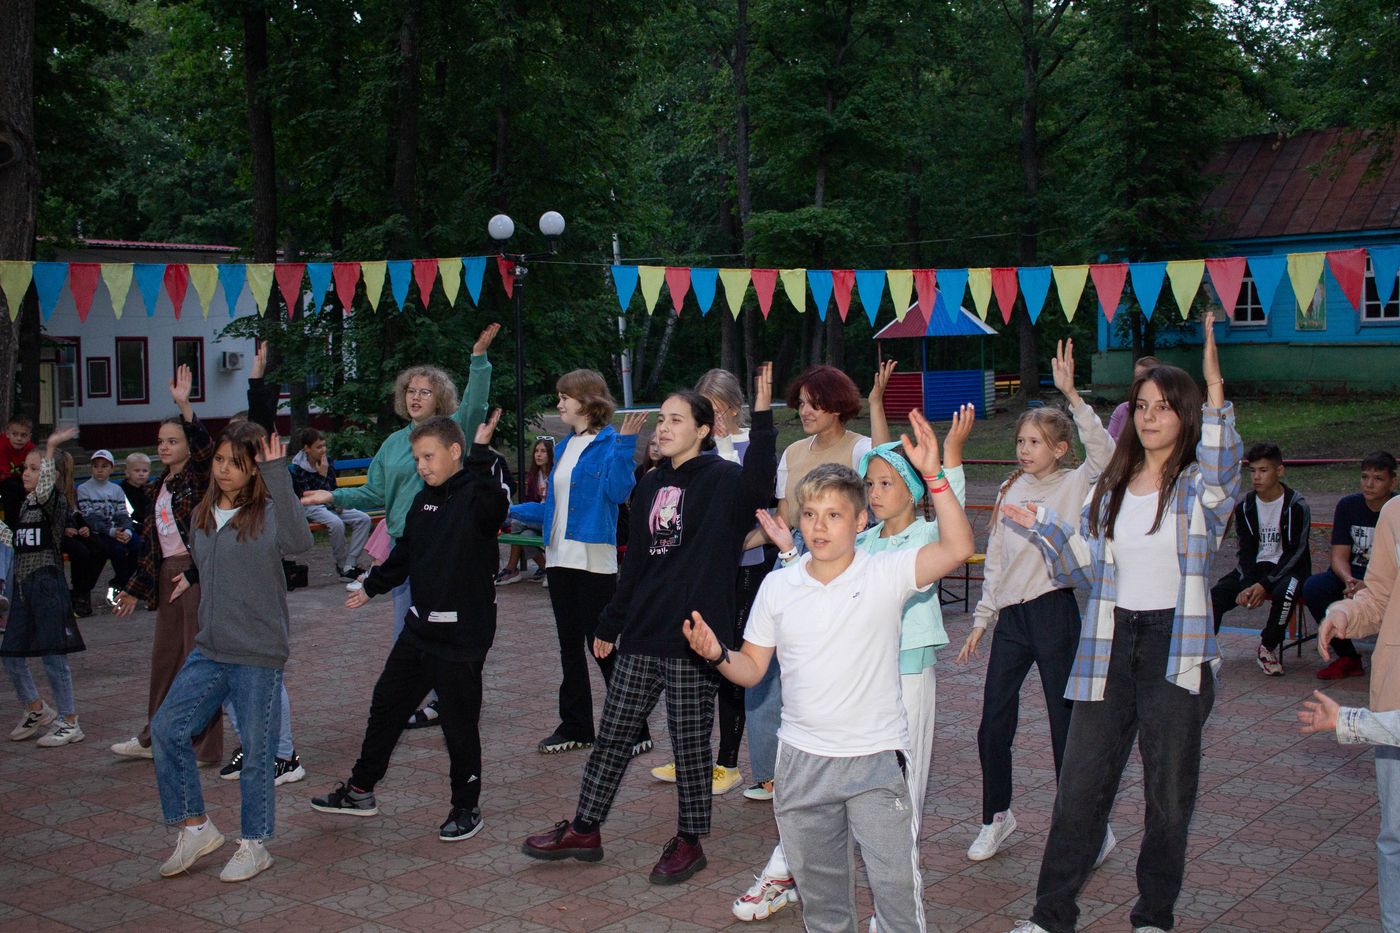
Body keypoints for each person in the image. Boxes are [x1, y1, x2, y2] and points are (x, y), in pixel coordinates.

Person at [686, 412, 974, 932]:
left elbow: (957, 548)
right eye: (811, 514)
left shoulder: (886, 573)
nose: (819, 527)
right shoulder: (780, 586)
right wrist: (717, 655)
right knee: (823, 907)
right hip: (802, 764)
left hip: (875, 760)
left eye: (834, 515)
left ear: (860, 521)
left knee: (896, 897)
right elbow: (752, 670)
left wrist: (935, 476)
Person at [1002, 312, 1242, 933]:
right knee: (1079, 789)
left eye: (1164, 407)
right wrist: (1047, 530)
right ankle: (1050, 916)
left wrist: (1214, 387)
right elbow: (1085, 567)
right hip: (1108, 644)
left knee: (1169, 797)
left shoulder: (1199, 489)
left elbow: (1223, 464)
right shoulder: (1110, 487)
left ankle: (1153, 917)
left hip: (1175, 648)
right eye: (1142, 406)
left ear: (1186, 415)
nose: (1150, 416)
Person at [522, 366, 777, 886]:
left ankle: (689, 840)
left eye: (675, 420)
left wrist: (765, 415)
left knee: (689, 745)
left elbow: (760, 487)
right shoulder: (651, 483)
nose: (663, 428)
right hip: (642, 631)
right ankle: (585, 828)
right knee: (613, 736)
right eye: (661, 419)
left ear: (703, 430)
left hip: (695, 638)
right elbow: (637, 560)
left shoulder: (723, 480)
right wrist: (610, 622)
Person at [311, 413, 509, 841]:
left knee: (458, 724)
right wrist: (371, 586)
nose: (421, 466)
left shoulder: (476, 496)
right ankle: (360, 790)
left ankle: (466, 807)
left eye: (428, 457)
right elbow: (405, 554)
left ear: (454, 452)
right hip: (420, 631)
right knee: (387, 705)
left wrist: (479, 455)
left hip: (462, 636)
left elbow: (495, 506)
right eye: (417, 458)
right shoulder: (423, 500)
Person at [955, 339, 1115, 865]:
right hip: (1013, 619)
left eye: (1036, 442)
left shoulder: (1074, 484)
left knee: (1065, 725)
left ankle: (1089, 827)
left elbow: (1105, 453)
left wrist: (1072, 395)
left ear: (1060, 449)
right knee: (992, 722)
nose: (1025, 450)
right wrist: (983, 619)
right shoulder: (1010, 489)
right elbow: (997, 561)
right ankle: (996, 817)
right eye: (1021, 441)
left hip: (1054, 613)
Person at [302, 325, 497, 729]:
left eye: (425, 391)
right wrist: (332, 497)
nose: (415, 397)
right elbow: (373, 492)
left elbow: (477, 403)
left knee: (432, 625)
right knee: (409, 627)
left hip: (443, 548)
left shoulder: (452, 431)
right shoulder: (393, 443)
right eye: (410, 390)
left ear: (440, 399)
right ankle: (426, 698)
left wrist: (478, 358)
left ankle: (425, 701)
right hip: (401, 547)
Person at [145, 422, 312, 883]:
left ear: (253, 468)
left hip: (257, 652)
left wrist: (277, 473)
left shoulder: (268, 513)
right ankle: (196, 827)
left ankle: (254, 844)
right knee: (166, 729)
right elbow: (213, 561)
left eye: (236, 463)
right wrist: (192, 576)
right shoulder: (204, 512)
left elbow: (300, 543)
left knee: (257, 752)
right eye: (219, 460)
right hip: (211, 650)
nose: (224, 470)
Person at [744, 364, 872, 802]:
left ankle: (836, 765)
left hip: (843, 560)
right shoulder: (793, 452)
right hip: (790, 555)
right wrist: (735, 544)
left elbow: (874, 513)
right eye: (800, 403)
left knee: (828, 665)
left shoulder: (861, 449)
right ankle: (768, 773)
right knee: (765, 667)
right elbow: (783, 518)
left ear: (837, 405)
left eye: (814, 403)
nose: (804, 411)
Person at [649, 367, 774, 796]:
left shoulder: (749, 446)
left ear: (734, 409)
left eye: (718, 410)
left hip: (745, 570)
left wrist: (733, 543)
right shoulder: (692, 454)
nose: (713, 418)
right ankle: (691, 753)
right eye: (705, 410)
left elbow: (762, 506)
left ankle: (727, 762)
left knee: (731, 659)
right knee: (691, 661)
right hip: (700, 574)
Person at [111, 366, 221, 764]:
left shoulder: (199, 477)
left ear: (187, 446)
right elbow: (151, 547)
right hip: (166, 574)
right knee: (165, 660)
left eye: (172, 441)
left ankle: (205, 747)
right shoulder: (158, 485)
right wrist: (131, 591)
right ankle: (153, 737)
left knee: (198, 658)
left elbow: (207, 451)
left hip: (194, 573)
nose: (164, 447)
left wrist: (184, 405)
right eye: (161, 441)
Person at [536, 370, 648, 755]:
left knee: (601, 645)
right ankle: (576, 727)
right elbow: (556, 506)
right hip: (558, 557)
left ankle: (635, 728)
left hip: (593, 561)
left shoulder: (612, 443)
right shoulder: (564, 445)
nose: (559, 403)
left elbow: (618, 492)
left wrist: (627, 444)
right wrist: (508, 510)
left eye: (564, 397)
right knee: (569, 647)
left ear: (586, 401)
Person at [1312, 494, 1400, 929]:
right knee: (1395, 836)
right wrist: (1344, 610)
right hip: (1395, 698)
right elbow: (1380, 595)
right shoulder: (1395, 513)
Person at [3, 427, 86, 747]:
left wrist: (50, 447)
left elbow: (47, 485)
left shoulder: (53, 502)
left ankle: (70, 720)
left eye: (35, 468)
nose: (26, 473)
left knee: (53, 656)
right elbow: (16, 540)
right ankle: (36, 708)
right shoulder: (26, 505)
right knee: (11, 654)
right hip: (23, 588)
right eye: (26, 467)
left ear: (51, 474)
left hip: (47, 585)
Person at [1210, 441, 1312, 675]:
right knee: (1214, 596)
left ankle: (1267, 647)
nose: (1256, 477)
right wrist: (1247, 584)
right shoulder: (1245, 507)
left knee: (1286, 593)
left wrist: (1263, 584)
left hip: (1289, 569)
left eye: (1263, 470)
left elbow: (1295, 552)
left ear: (1279, 470)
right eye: (1253, 471)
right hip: (1255, 569)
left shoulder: (1297, 506)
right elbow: (1245, 551)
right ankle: (1205, 650)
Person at [1306, 450, 1398, 680]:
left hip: (1384, 578)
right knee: (1315, 587)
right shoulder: (1348, 505)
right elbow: (1338, 555)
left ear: (1392, 482)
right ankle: (1347, 656)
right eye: (1365, 477)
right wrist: (1349, 580)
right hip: (1351, 573)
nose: (1369, 484)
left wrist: (1368, 585)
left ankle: (1387, 657)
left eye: (1378, 478)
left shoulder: (1395, 512)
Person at [291, 428, 372, 583]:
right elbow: (310, 496)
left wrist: (338, 501)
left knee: (363, 519)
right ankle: (342, 566)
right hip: (310, 508)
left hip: (330, 504)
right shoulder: (297, 469)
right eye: (318, 447)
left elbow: (332, 488)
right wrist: (322, 474)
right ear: (307, 448)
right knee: (336, 523)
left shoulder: (327, 462)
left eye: (324, 445)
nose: (323, 450)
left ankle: (350, 564)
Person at [76, 449, 142, 595]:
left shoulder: (116, 489)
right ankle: (122, 584)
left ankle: (128, 581)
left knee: (138, 545)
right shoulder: (83, 489)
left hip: (117, 530)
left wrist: (127, 530)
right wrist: (111, 531)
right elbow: (89, 517)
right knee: (117, 550)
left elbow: (123, 513)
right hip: (99, 533)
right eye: (96, 466)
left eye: (104, 466)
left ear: (111, 469)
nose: (99, 470)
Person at [54, 451, 107, 619]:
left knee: (100, 548)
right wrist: (63, 529)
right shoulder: (49, 490)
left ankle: (81, 591)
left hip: (73, 525)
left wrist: (84, 526)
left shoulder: (70, 489)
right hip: (56, 531)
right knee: (81, 552)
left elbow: (75, 512)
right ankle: (80, 595)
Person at [497, 437, 553, 586]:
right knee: (525, 535)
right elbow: (531, 502)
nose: (538, 455)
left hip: (551, 518)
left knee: (516, 522)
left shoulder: (556, 474)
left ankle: (511, 569)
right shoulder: (535, 475)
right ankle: (546, 569)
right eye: (536, 451)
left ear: (551, 454)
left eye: (543, 451)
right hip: (537, 518)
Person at [1106, 356, 1159, 442]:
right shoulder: (1122, 409)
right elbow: (1107, 443)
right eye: (1137, 377)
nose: (1139, 382)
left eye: (1146, 378)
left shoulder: (1166, 413)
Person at [0, 415, 35, 524]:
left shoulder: (31, 449)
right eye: (15, 434)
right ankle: (12, 525)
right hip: (4, 480)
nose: (19, 438)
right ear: (7, 434)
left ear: (29, 436)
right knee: (10, 489)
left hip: (19, 480)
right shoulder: (2, 446)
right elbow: (4, 475)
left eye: (23, 435)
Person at [121, 452, 153, 533]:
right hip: (131, 527)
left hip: (151, 524)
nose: (141, 474)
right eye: (137, 470)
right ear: (127, 472)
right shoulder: (121, 490)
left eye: (145, 471)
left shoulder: (151, 489)